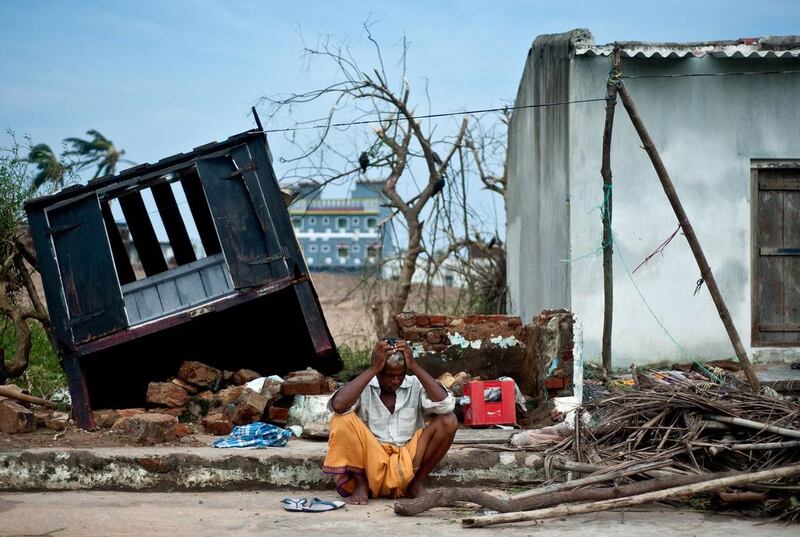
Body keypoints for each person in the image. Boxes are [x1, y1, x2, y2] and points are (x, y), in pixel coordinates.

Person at [323, 339, 457, 505]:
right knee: (341, 419)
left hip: (408, 461)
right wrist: (372, 369)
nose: (395, 381)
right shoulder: (363, 386)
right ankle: (361, 485)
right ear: (378, 371)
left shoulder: (415, 384)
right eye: (388, 375)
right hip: (371, 462)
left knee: (448, 420)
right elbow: (338, 405)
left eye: (400, 375)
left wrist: (414, 366)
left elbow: (446, 405)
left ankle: (417, 483)